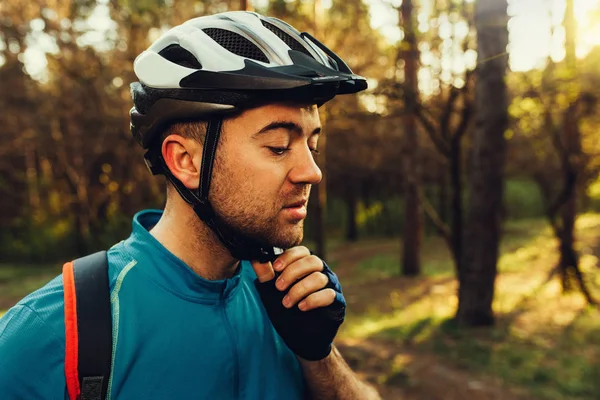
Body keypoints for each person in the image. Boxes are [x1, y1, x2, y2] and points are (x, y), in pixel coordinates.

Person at [0, 11, 381, 400]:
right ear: (185, 161)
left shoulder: (284, 298)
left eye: (312, 145)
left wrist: (316, 355)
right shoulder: (58, 328)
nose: (312, 172)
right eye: (279, 147)